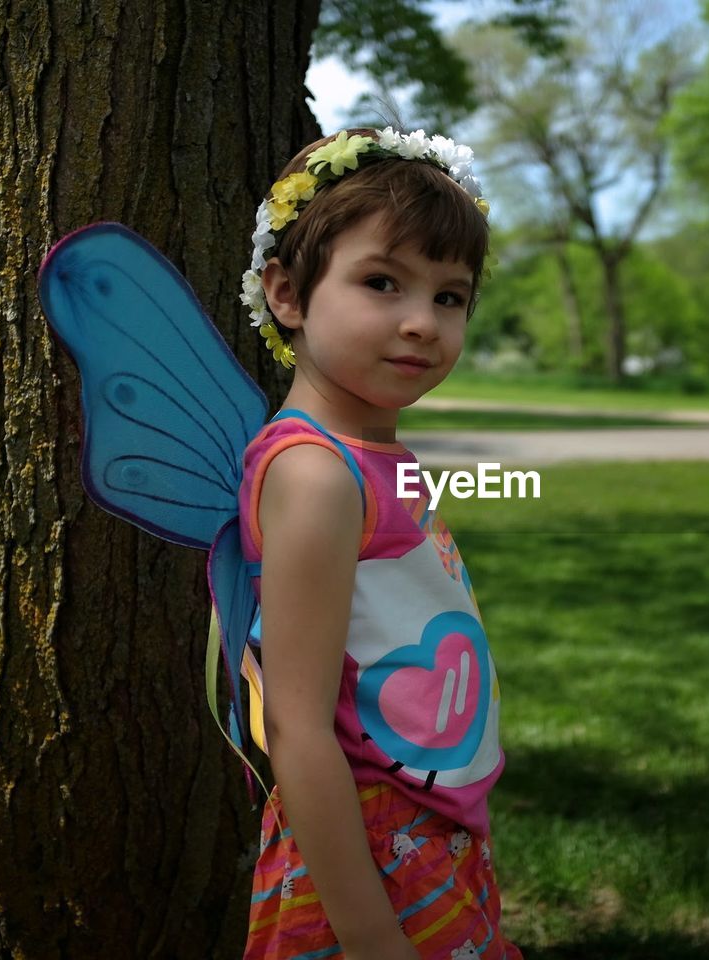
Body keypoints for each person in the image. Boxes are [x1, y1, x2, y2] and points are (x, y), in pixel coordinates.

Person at [235, 127, 521, 960]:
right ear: (287, 294)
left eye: (449, 296)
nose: (421, 323)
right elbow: (297, 728)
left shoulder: (374, 458)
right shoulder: (317, 476)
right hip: (364, 855)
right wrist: (370, 938)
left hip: (427, 831)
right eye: (382, 282)